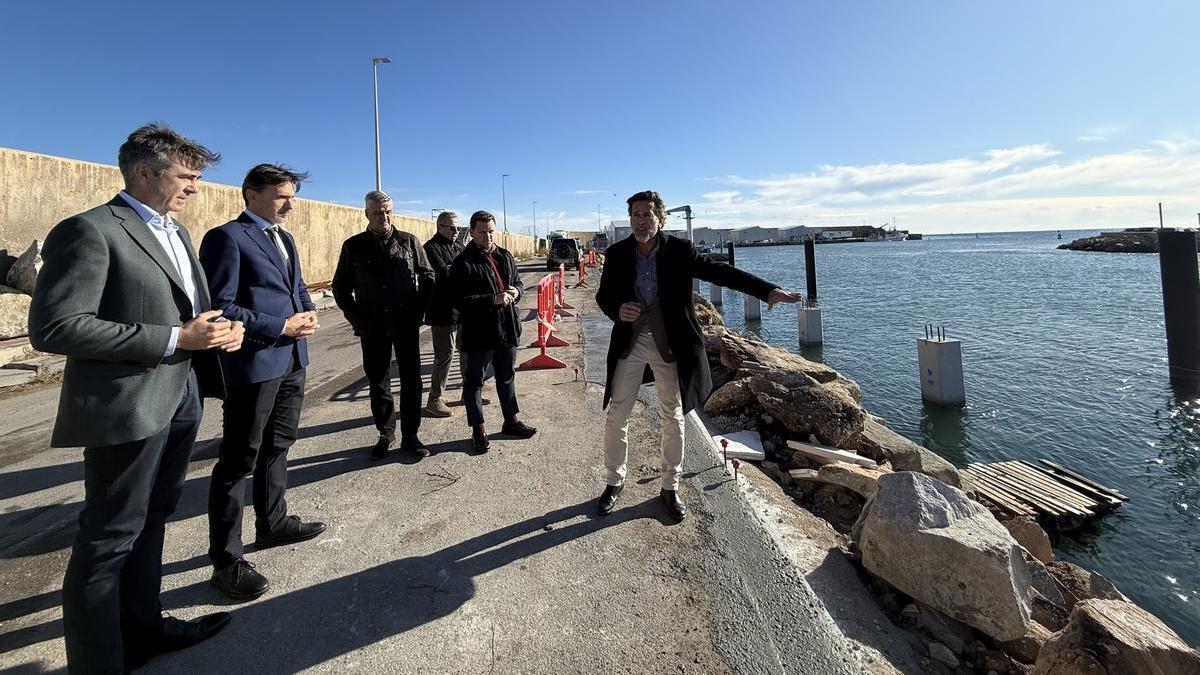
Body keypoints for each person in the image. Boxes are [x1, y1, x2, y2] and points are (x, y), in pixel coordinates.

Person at [28, 123, 244, 672]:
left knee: (155, 518)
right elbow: (57, 327)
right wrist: (176, 338)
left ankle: (144, 629)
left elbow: (188, 311)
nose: (195, 187)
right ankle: (97, 662)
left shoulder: (179, 233)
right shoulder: (90, 231)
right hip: (127, 406)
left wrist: (219, 330)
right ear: (144, 173)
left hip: (180, 397)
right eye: (186, 175)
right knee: (108, 537)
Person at [595, 190, 802, 522]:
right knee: (617, 415)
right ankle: (613, 481)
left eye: (647, 214)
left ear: (660, 219)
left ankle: (669, 486)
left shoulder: (679, 251)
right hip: (630, 344)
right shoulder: (618, 253)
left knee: (672, 415)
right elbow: (603, 295)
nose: (640, 220)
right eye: (635, 214)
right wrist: (618, 310)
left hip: (671, 346)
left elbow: (722, 273)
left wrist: (767, 291)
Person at [199, 163, 326, 600]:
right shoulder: (227, 238)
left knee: (280, 444)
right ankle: (226, 559)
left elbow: (297, 287)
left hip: (292, 360)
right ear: (251, 195)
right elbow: (220, 305)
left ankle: (272, 524)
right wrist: (280, 326)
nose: (290, 204)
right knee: (238, 458)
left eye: (292, 196)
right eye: (281, 196)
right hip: (254, 362)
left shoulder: (284, 237)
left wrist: (307, 314)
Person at [332, 191, 435, 458]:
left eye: (388, 210)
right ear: (367, 214)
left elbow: (428, 276)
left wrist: (419, 310)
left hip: (405, 324)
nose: (384, 216)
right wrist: (357, 319)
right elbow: (340, 288)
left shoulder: (409, 242)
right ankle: (385, 432)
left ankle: (411, 436)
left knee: (411, 381)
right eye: (378, 212)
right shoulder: (354, 246)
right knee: (379, 382)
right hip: (373, 326)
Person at [448, 211, 537, 452]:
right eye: (482, 232)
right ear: (472, 232)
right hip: (479, 332)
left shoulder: (505, 256)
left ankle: (511, 420)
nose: (487, 236)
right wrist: (492, 299)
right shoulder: (463, 262)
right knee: (474, 382)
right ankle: (478, 429)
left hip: (506, 329)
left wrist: (516, 293)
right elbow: (457, 299)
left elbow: (518, 283)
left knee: (506, 376)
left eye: (490, 231)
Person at [421, 211, 466, 417]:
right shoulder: (431, 248)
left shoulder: (458, 246)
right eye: (452, 228)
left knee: (466, 349)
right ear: (440, 227)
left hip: (462, 308)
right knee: (445, 354)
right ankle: (435, 398)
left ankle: (470, 390)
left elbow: (470, 267)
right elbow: (444, 273)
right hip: (442, 310)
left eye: (458, 227)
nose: (456, 231)